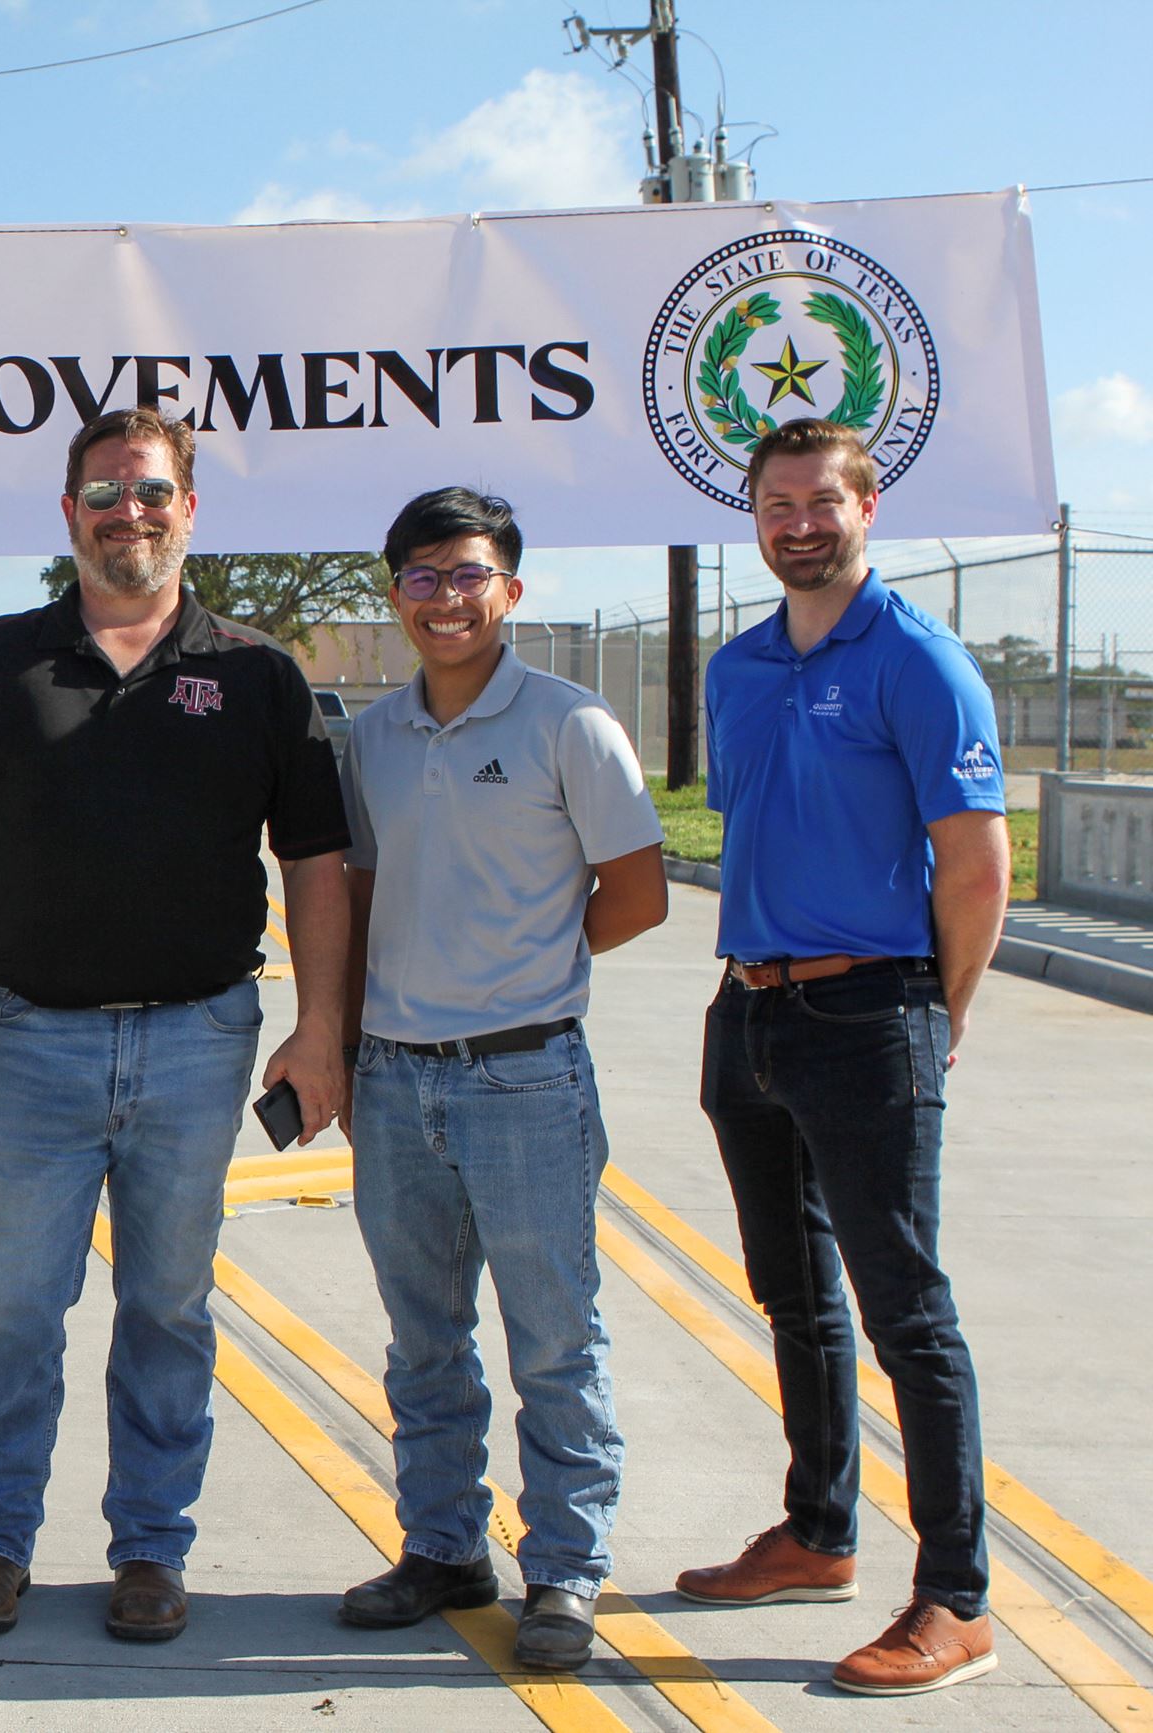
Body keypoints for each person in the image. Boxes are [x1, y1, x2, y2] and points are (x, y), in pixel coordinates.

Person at [0, 407, 351, 1644]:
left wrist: (317, 1027)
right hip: (26, 1039)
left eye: (149, 492)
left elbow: (310, 857)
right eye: (102, 493)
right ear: (66, 512)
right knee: (9, 1311)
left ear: (188, 508)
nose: (125, 513)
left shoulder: (256, 673)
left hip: (199, 1040)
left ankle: (150, 1545)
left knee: (166, 1307)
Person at [681, 417, 1011, 1697]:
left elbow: (975, 868)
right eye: (774, 502)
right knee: (792, 1294)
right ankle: (816, 1529)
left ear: (866, 507)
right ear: (752, 515)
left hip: (870, 1012)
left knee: (905, 1313)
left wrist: (939, 1012)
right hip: (748, 1010)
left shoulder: (919, 664)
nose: (797, 522)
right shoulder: (739, 665)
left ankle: (954, 1596)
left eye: (822, 500)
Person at [331, 488, 668, 1670]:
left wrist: (527, 965)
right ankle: (441, 1547)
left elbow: (635, 892)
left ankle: (564, 1571)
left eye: (466, 574)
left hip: (523, 1078)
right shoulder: (368, 738)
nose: (443, 597)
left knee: (551, 1340)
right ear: (394, 592)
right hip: (393, 1080)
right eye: (419, 575)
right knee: (422, 1340)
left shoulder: (570, 725)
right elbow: (358, 898)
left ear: (508, 591)